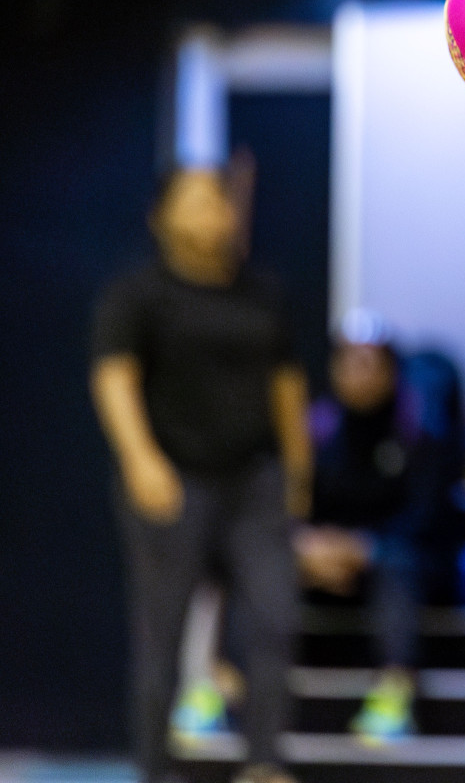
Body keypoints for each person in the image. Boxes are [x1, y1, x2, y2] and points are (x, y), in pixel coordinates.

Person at [91, 168, 308, 783]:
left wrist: (298, 470)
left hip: (255, 481)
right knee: (164, 634)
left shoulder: (263, 293)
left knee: (272, 620)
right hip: (175, 478)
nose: (211, 212)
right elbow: (114, 378)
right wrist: (140, 460)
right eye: (194, 200)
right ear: (160, 218)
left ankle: (264, 762)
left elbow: (286, 385)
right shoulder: (137, 296)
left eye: (218, 199)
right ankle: (158, 770)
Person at [295, 311, 455, 744]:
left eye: (369, 362)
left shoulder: (420, 431)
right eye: (348, 361)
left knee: (398, 563)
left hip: (398, 561)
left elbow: (427, 518)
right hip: (330, 564)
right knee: (262, 561)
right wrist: (311, 546)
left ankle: (393, 695)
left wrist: (365, 546)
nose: (358, 373)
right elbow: (296, 509)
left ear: (391, 372)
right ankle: (231, 687)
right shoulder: (318, 431)